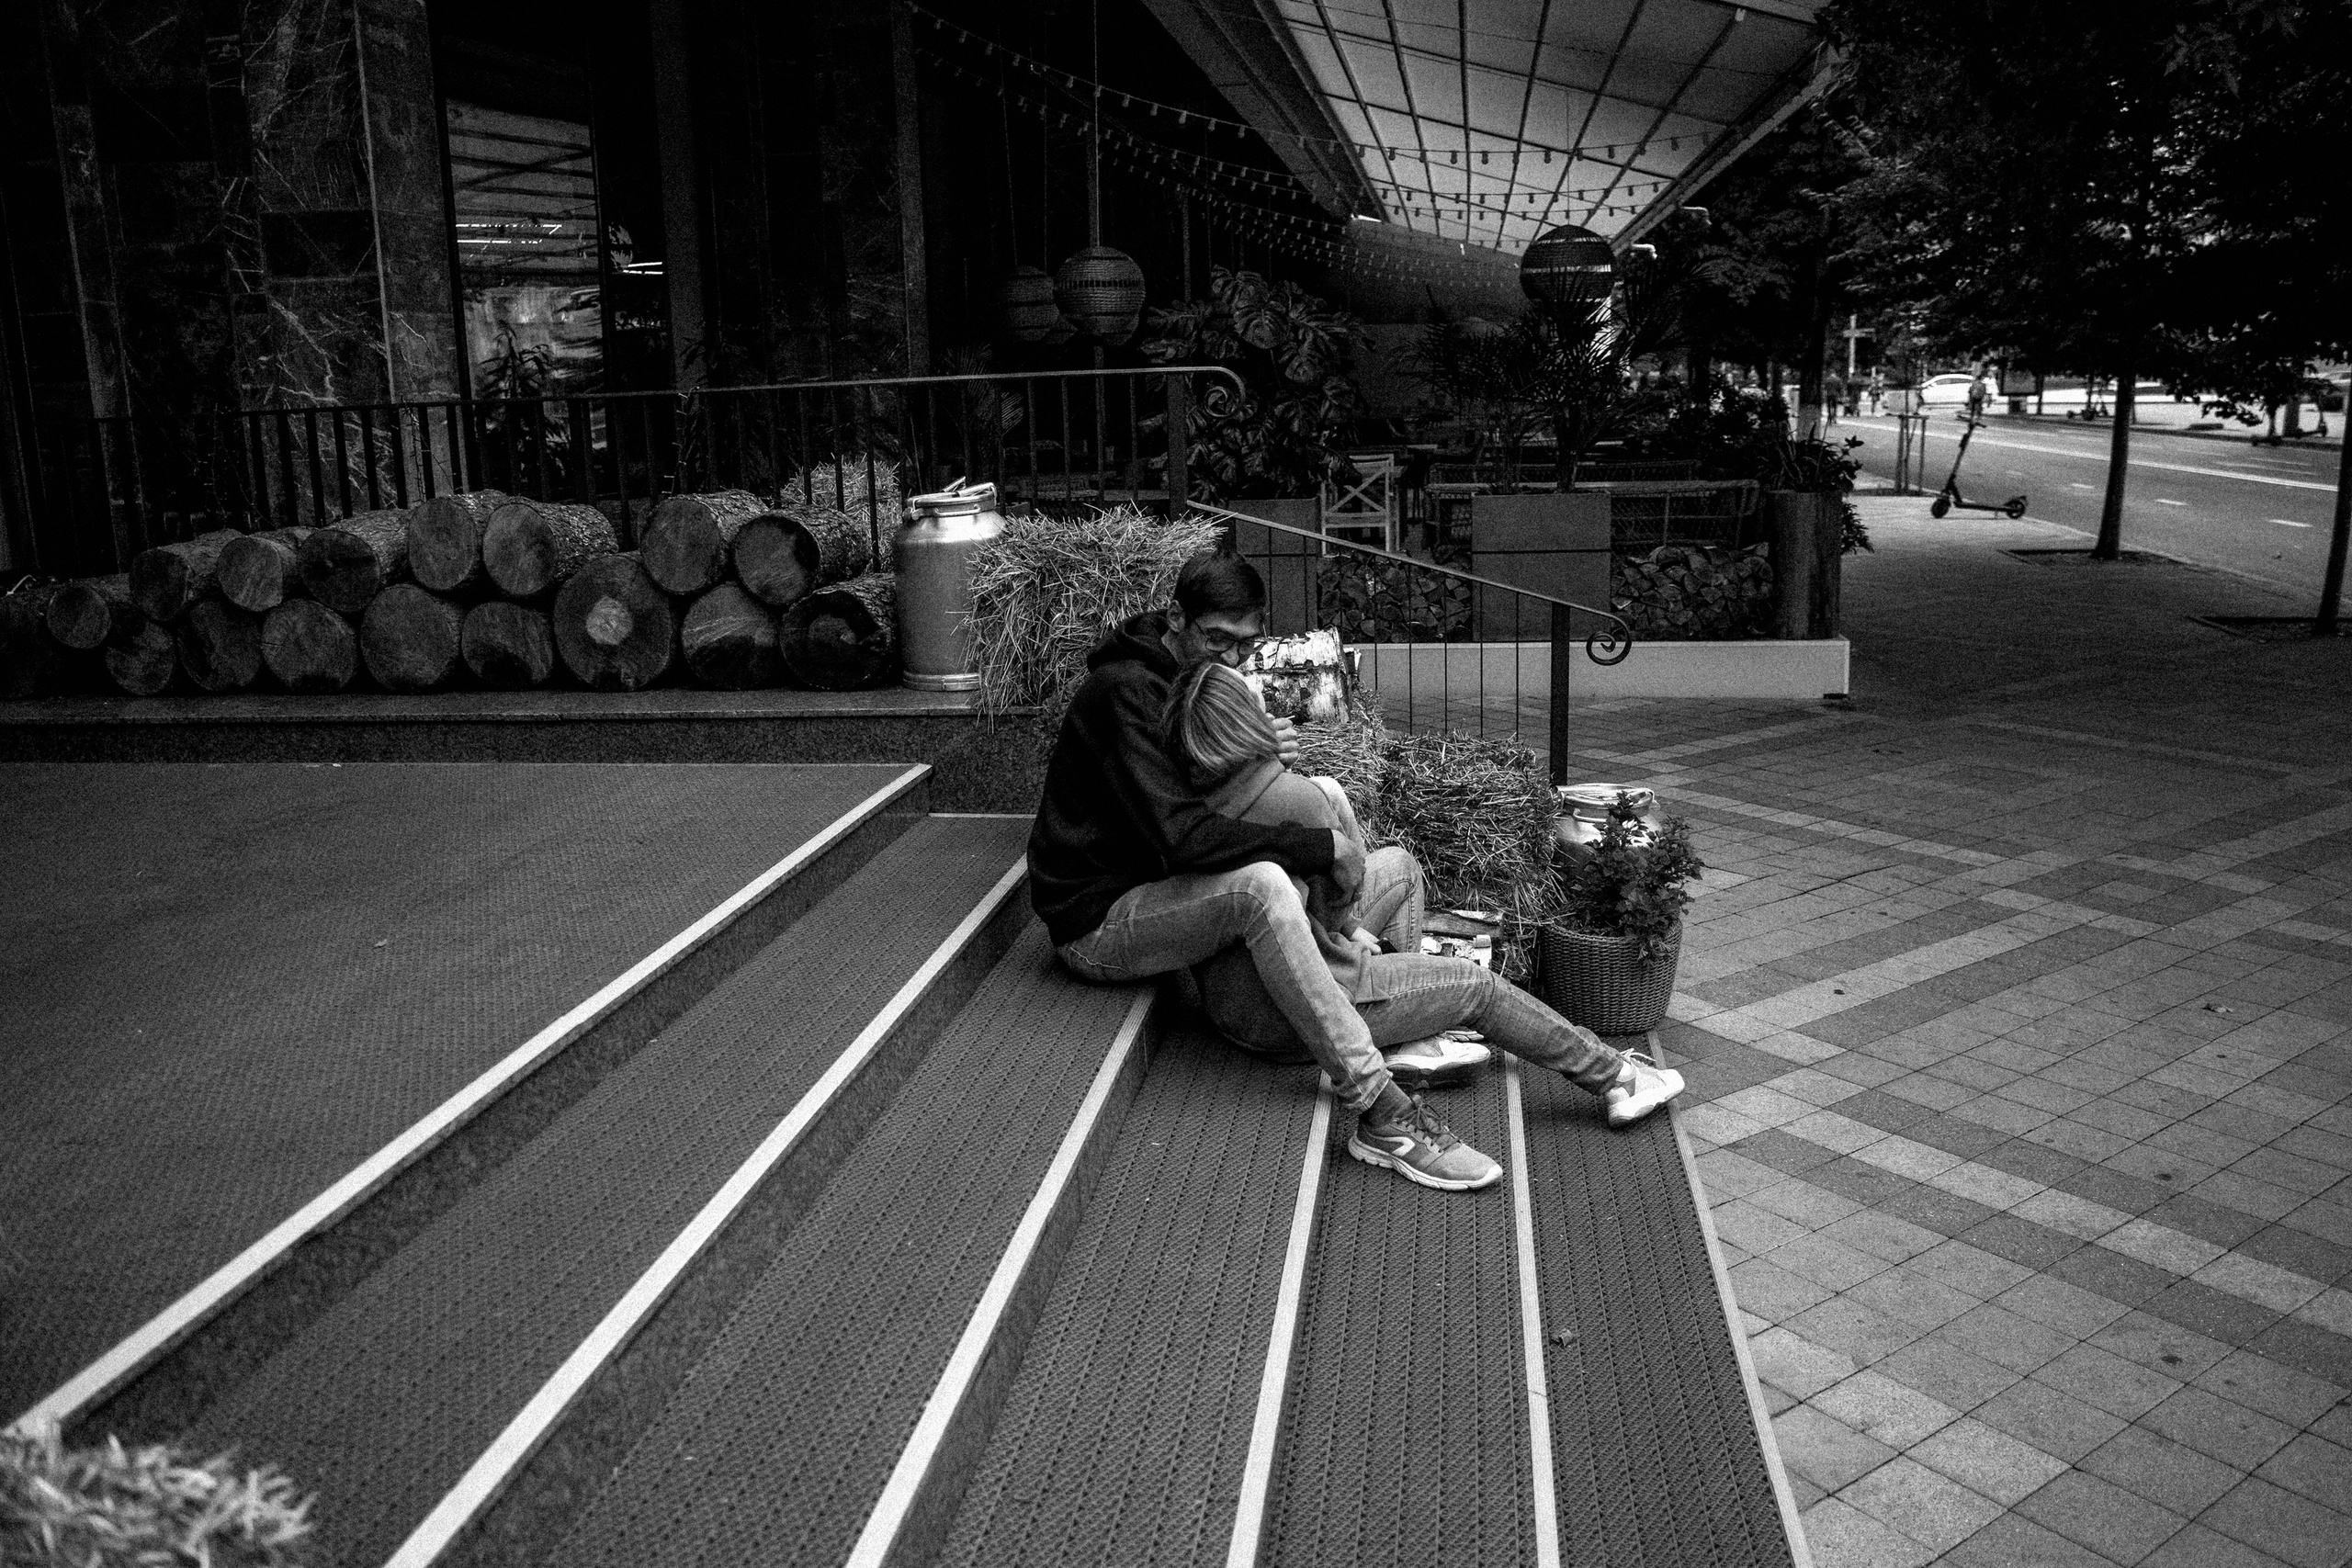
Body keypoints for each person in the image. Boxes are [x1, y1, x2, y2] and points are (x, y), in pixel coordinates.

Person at [1029, 551, 1686, 1193]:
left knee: (1389, 865)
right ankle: (1383, 1110)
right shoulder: (1127, 692)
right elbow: (1180, 836)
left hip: (1204, 914)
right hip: (1102, 914)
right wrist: (1318, 846)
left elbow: (1205, 795)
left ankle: (1407, 1028)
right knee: (1270, 884)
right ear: (1176, 619)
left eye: (1243, 647)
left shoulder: (1199, 694)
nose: (1228, 659)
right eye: (1215, 641)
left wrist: (1274, 774)